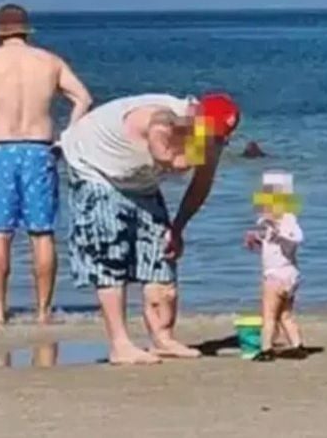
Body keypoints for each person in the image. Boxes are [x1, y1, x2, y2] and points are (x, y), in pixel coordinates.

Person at [59, 92, 239, 365]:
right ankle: (120, 345)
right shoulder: (161, 118)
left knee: (161, 252)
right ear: (195, 116)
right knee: (109, 253)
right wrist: (189, 155)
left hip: (139, 180)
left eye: (219, 138)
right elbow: (165, 155)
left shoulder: (210, 141)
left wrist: (178, 228)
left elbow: (200, 186)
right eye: (210, 134)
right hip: (94, 167)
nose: (212, 142)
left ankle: (162, 338)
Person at [0, 4, 93, 324]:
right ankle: (43, 312)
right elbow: (83, 98)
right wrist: (66, 137)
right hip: (39, 149)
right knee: (42, 235)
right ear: (26, 31)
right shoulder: (49, 61)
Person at [244, 170, 306, 362]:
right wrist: (258, 238)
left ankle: (266, 348)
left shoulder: (287, 220)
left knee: (268, 315)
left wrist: (278, 231)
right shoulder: (269, 223)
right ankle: (297, 345)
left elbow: (297, 238)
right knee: (285, 314)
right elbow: (270, 242)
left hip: (277, 275)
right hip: (288, 274)